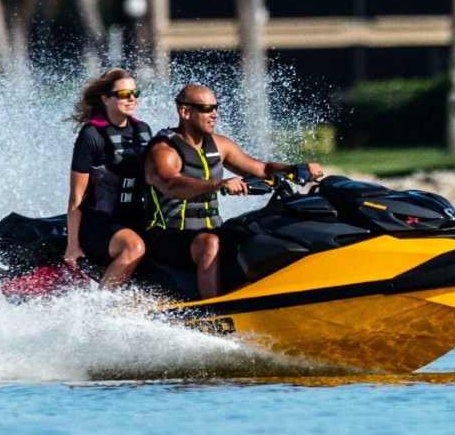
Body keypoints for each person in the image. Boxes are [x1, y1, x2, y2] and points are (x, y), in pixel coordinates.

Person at [143, 84, 324, 299]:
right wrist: (218, 184)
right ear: (185, 112)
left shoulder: (221, 145)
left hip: (211, 231)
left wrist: (295, 168)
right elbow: (170, 185)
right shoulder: (163, 150)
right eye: (207, 108)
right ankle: (215, 312)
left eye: (216, 107)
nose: (215, 114)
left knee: (254, 232)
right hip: (165, 237)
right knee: (209, 243)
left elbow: (262, 169)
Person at [65, 68, 152, 289]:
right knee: (134, 248)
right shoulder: (91, 135)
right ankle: (103, 308)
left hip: (135, 218)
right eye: (123, 94)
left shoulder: (143, 130)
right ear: (106, 98)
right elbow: (77, 196)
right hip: (99, 223)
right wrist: (72, 245)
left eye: (135, 92)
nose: (132, 98)